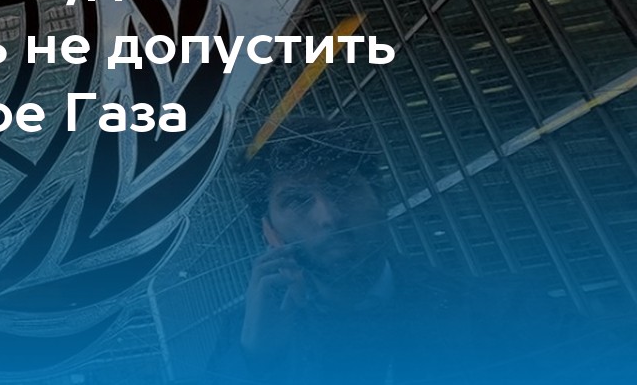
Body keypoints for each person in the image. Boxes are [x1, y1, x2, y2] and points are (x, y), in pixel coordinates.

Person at [206, 117, 634, 385]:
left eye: (342, 186)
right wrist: (257, 359)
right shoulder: (248, 336)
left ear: (379, 198)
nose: (329, 216)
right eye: (297, 200)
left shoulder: (506, 308)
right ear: (269, 231)